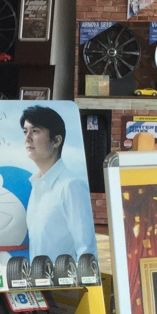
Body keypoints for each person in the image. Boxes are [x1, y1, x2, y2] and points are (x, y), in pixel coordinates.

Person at [21, 105, 95, 262]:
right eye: (25, 131)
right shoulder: (36, 186)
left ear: (56, 141)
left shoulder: (71, 186)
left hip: (65, 277)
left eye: (35, 131)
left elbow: (87, 249)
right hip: (39, 276)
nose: (27, 138)